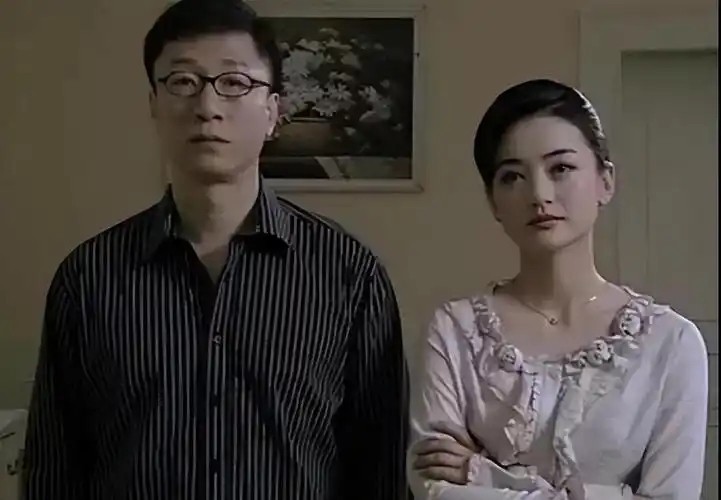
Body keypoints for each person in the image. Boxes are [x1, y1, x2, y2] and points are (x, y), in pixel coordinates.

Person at [22, 1, 409, 498]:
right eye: (183, 81)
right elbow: (54, 470)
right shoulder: (88, 277)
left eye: (234, 82)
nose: (207, 106)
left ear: (273, 112)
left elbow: (379, 471)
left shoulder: (350, 274)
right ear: (154, 105)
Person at [407, 79, 708, 499]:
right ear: (493, 201)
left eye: (560, 169)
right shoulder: (455, 332)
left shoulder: (669, 343)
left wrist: (485, 476)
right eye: (512, 176)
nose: (539, 194)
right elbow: (435, 490)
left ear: (605, 181)